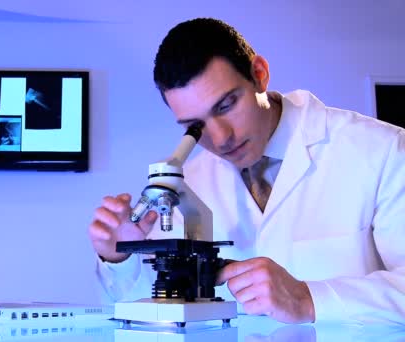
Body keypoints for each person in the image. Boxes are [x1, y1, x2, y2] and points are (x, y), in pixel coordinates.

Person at [89, 18, 405, 324]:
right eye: (195, 126)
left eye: (226, 105)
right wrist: (119, 257)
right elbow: (143, 311)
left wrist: (309, 299)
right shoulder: (190, 186)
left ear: (259, 74)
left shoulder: (380, 149)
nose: (221, 138)